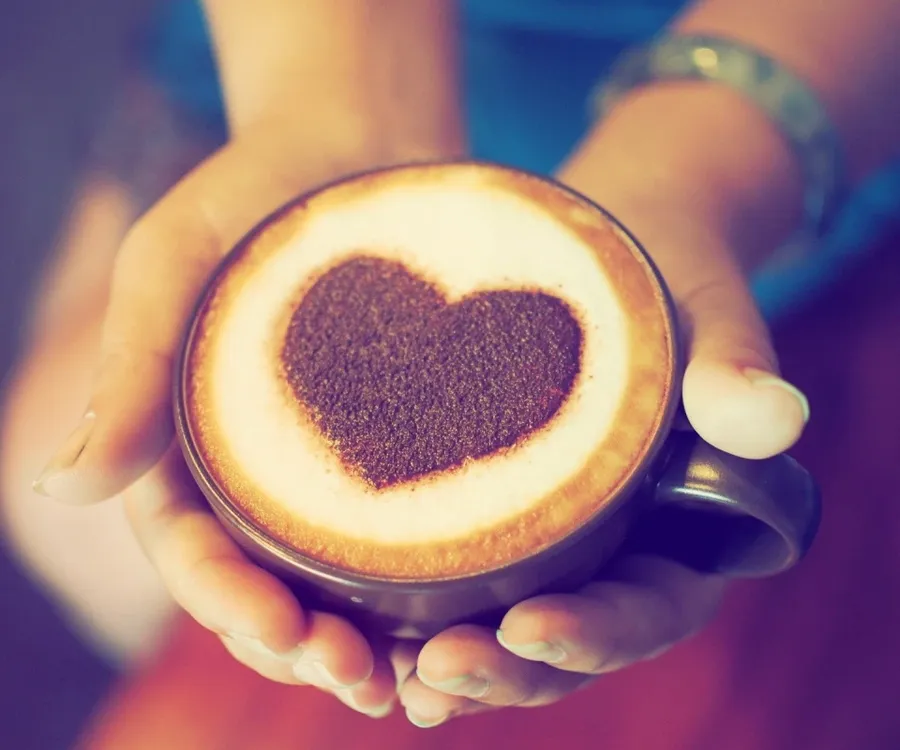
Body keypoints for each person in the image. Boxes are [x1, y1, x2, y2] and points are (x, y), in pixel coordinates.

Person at [2, 0, 899, 731]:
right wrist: (337, 103)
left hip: (772, 126)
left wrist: (698, 177)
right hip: (297, 57)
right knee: (80, 520)